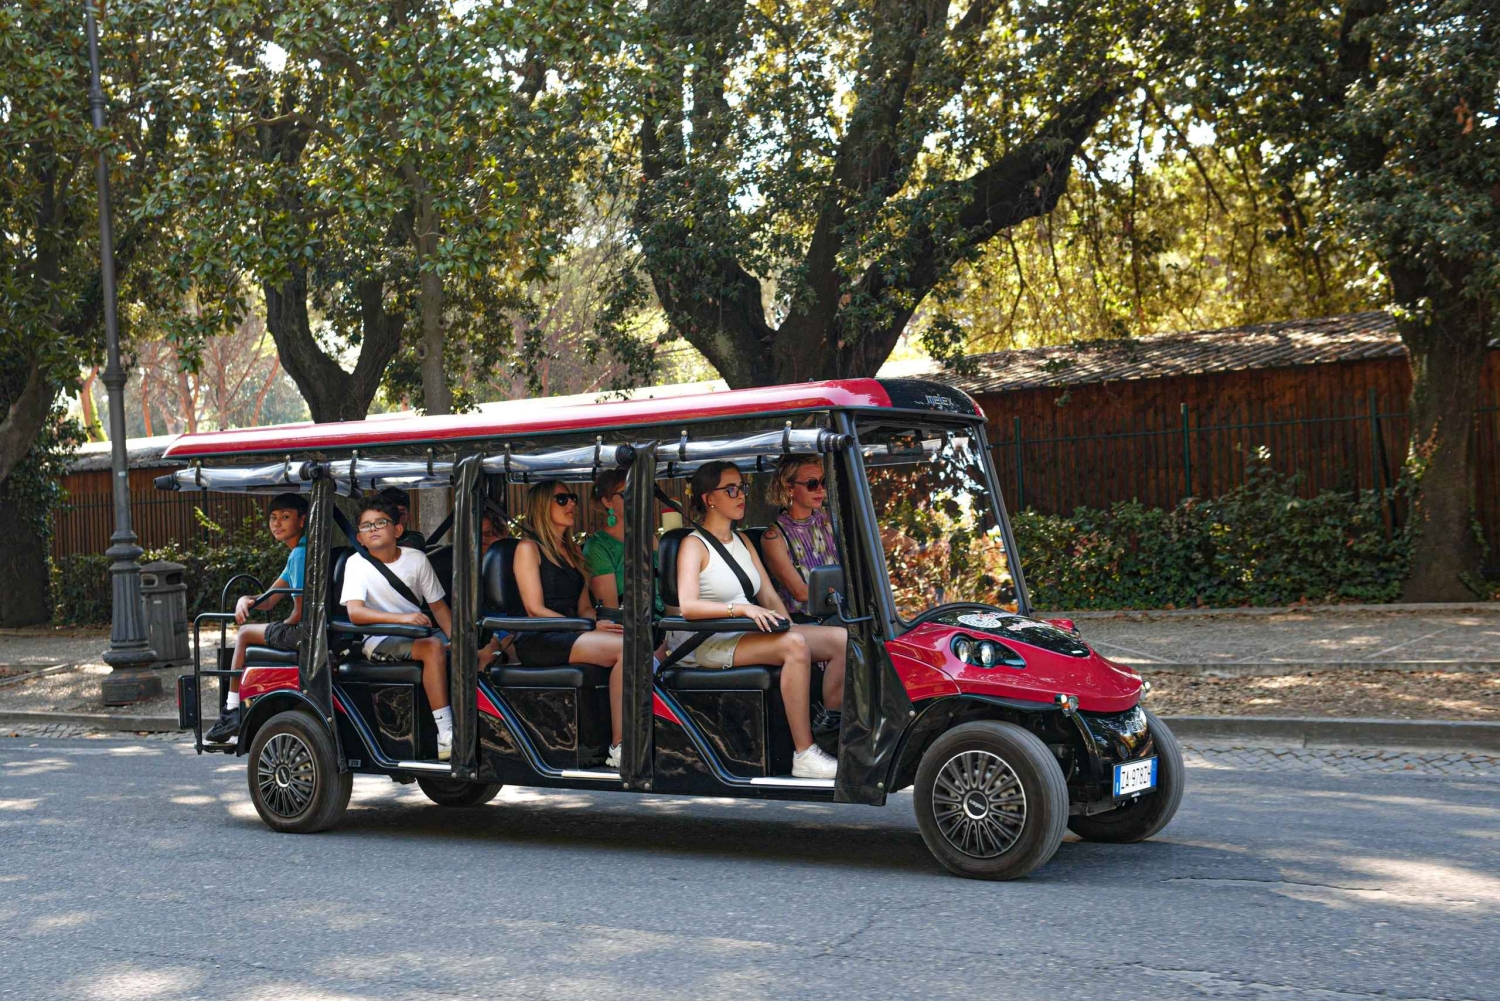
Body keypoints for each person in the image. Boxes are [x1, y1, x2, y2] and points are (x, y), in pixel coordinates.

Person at [670, 461, 845, 780]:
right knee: (794, 647)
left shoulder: (743, 542)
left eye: (743, 488)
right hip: (710, 641)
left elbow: (770, 598)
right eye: (731, 489)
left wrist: (784, 621)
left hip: (747, 633)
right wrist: (743, 610)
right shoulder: (693, 545)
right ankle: (804, 754)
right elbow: (689, 607)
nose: (741, 496)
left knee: (840, 640)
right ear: (710, 498)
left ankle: (830, 734)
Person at [513, 480, 626, 769]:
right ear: (542, 505)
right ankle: (621, 745)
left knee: (633, 639)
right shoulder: (529, 548)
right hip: (540, 637)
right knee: (627, 649)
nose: (571, 504)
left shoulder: (573, 551)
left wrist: (599, 623)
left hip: (573, 632)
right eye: (562, 499)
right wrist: (585, 628)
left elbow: (585, 608)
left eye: (572, 498)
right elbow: (534, 609)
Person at [341, 497, 456, 760]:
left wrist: (459, 642)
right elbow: (355, 613)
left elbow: (438, 608)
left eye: (380, 523)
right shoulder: (355, 564)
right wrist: (402, 619)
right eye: (366, 525)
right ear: (359, 537)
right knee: (433, 648)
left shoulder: (416, 559)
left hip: (417, 635)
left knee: (480, 648)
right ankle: (445, 732)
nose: (373, 529)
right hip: (379, 639)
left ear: (397, 530)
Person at [205, 493, 309, 743]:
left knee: (243, 633)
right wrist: (246, 600)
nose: (277, 524)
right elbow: (270, 599)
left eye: (285, 517)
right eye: (273, 518)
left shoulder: (299, 554)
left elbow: (300, 611)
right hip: (309, 628)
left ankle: (231, 711)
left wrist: (279, 628)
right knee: (251, 631)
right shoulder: (300, 551)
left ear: (302, 520)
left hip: (303, 631)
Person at [760, 456, 841, 620]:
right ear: (789, 488)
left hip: (840, 613)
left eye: (823, 482)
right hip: (806, 621)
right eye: (812, 484)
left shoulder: (830, 520)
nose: (820, 489)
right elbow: (800, 592)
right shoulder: (774, 537)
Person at [583, 468, 628, 609]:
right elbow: (611, 610)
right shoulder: (598, 547)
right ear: (608, 502)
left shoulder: (649, 538)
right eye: (626, 494)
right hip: (630, 626)